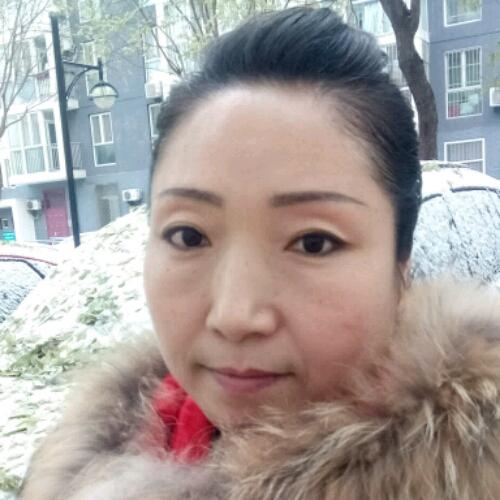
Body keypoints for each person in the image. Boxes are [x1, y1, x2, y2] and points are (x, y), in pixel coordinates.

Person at [20, 7, 500, 500]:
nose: (235, 316)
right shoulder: (79, 469)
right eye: (188, 236)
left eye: (313, 242)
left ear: (399, 272)